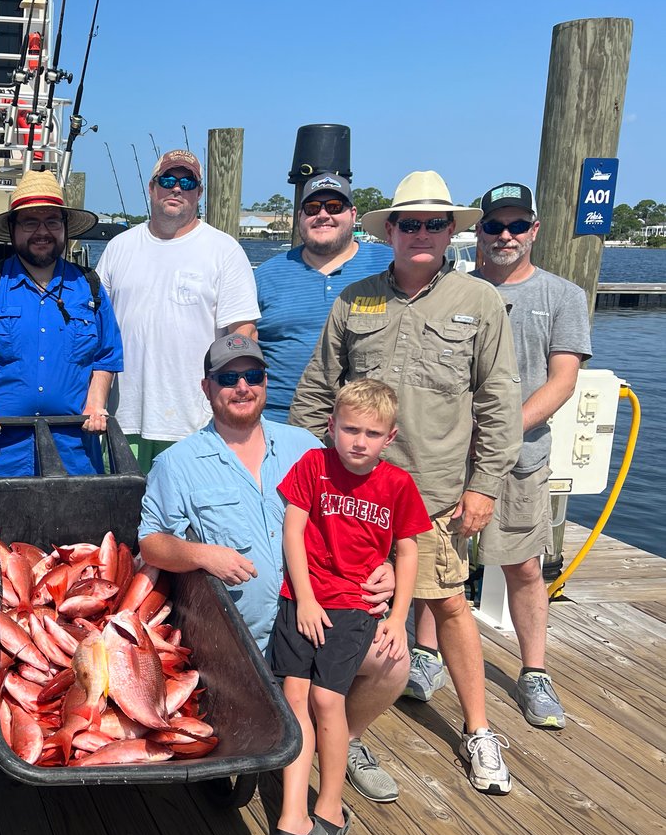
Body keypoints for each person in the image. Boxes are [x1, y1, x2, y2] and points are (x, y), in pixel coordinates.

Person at [290, 170, 522, 794]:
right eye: (410, 223)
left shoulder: (478, 303)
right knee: (351, 615)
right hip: (348, 499)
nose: (422, 233)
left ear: (453, 232)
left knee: (448, 605)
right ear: (390, 230)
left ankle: (478, 731)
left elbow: (499, 400)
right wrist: (299, 479)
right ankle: (351, 734)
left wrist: (484, 486)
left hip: (436, 497)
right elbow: (318, 392)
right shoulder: (354, 299)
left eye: (435, 223)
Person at [138, 334, 410, 803]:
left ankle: (344, 741)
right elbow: (151, 543)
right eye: (228, 377)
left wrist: (385, 564)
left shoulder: (306, 446)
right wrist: (205, 555)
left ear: (266, 383)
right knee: (230, 787)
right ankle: (265, 742)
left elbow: (365, 512)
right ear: (207, 388)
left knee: (393, 663)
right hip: (240, 644)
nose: (242, 386)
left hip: (322, 619)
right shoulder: (176, 462)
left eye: (253, 376)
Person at [410, 182, 588, 729]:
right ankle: (425, 655)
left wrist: (498, 431)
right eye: (494, 225)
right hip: (445, 459)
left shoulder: (563, 296)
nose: (505, 235)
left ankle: (534, 671)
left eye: (516, 226)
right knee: (431, 565)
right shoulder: (448, 288)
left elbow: (562, 380)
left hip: (520, 459)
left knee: (523, 564)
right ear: (477, 232)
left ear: (534, 230)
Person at [251, 380, 429, 835]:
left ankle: (330, 807)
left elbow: (409, 550)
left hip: (354, 606)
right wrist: (303, 597)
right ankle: (292, 816)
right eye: (349, 429)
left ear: (389, 437)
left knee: (329, 702)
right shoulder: (313, 466)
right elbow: (294, 526)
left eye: (372, 433)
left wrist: (397, 616)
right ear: (330, 426)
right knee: (295, 698)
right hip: (302, 601)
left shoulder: (396, 485)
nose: (358, 441)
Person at [0, 169, 123, 477]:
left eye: (52, 221)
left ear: (65, 228)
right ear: (12, 229)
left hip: (74, 453)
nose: (42, 231)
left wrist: (96, 403)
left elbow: (106, 355)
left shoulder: (90, 287)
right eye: (30, 222)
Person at [95, 149, 259, 471]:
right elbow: (94, 331)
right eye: (168, 179)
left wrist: (233, 405)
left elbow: (243, 334)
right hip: (123, 419)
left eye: (188, 182)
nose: (177, 188)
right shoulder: (118, 248)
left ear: (199, 193)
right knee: (120, 518)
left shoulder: (224, 250)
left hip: (196, 424)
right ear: (151, 187)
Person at [255, 173, 393, 420]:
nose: (322, 215)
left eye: (334, 207)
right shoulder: (266, 274)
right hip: (279, 420)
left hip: (366, 424)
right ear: (300, 217)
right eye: (311, 208)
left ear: (353, 215)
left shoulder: (389, 263)